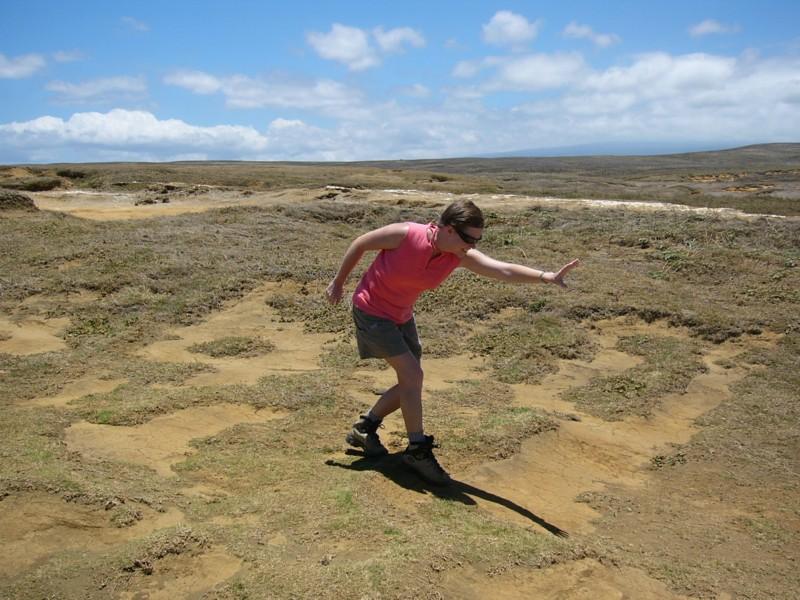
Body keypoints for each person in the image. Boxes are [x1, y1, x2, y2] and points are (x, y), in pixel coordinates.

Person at [325, 199, 579, 485]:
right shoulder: (405, 234)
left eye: (477, 240)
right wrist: (338, 282)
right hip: (371, 311)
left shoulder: (457, 254)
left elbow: (502, 270)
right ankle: (417, 450)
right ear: (447, 229)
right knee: (412, 376)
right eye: (468, 239)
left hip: (401, 315)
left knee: (411, 380)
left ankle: (364, 428)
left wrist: (546, 277)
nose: (472, 246)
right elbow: (360, 243)